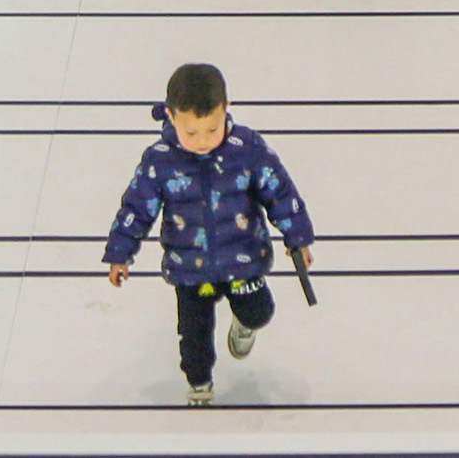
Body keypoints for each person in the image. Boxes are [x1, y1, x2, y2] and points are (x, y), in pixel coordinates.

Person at [103, 62, 317, 410]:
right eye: (191, 132)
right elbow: (136, 209)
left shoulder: (246, 148)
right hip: (190, 270)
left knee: (260, 311)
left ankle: (244, 326)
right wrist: (119, 254)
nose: (201, 141)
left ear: (226, 108)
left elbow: (279, 191)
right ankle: (199, 383)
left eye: (211, 129)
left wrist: (298, 238)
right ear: (171, 117)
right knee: (193, 336)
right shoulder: (160, 161)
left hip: (243, 260)